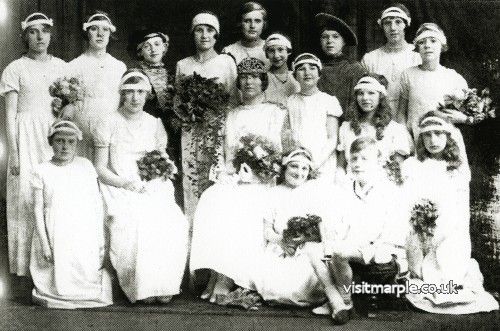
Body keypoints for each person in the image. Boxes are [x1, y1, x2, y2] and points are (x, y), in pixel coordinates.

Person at [190, 57, 286, 304]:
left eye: (254, 77)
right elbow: (225, 153)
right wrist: (226, 175)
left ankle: (227, 277)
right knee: (212, 199)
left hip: (262, 181)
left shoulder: (275, 112)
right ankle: (215, 272)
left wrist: (255, 174)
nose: (249, 81)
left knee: (242, 206)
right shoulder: (230, 115)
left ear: (263, 81)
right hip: (235, 177)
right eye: (244, 77)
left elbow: (278, 152)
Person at [94, 69, 188, 304]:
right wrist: (126, 183)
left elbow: (162, 159)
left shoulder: (154, 123)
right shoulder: (108, 122)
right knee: (135, 222)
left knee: (172, 221)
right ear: (121, 95)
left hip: (152, 183)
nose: (135, 98)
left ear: (147, 95)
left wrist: (158, 176)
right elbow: (100, 168)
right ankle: (140, 285)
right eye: (129, 92)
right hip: (119, 184)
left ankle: (163, 284)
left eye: (140, 92)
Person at [403, 113, 499, 314]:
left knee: (450, 269)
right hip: (422, 225)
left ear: (449, 137)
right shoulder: (413, 165)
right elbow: (408, 201)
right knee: (422, 268)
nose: (433, 140)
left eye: (439, 134)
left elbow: (459, 209)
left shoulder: (456, 168)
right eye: (427, 135)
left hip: (451, 226)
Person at [308, 137, 407, 324]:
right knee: (313, 250)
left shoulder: (388, 190)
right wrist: (332, 236)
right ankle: (337, 301)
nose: (357, 164)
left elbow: (392, 230)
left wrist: (358, 245)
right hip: (351, 245)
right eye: (354, 159)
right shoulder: (346, 189)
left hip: (380, 248)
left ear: (378, 162)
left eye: (364, 159)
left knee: (338, 252)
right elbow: (338, 222)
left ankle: (344, 301)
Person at [0, 12, 67, 276]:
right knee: (27, 197)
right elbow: (10, 115)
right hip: (25, 139)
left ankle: (54, 263)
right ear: (24, 35)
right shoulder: (15, 68)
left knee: (53, 195)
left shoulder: (62, 66)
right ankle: (26, 270)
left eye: (45, 31)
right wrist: (14, 153)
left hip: (53, 136)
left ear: (51, 34)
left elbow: (69, 107)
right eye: (33, 31)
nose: (40, 37)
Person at [30, 121, 112, 309]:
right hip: (55, 230)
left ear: (76, 143)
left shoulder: (85, 165)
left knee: (86, 270)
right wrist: (45, 244)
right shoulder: (42, 170)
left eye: (70, 141)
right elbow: (37, 208)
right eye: (59, 141)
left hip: (81, 228)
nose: (65, 146)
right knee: (60, 279)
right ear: (51, 142)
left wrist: (98, 237)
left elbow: (95, 203)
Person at [176, 11, 238, 222]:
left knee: (216, 179)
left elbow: (233, 101)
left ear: (216, 35)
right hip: (191, 130)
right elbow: (178, 102)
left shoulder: (226, 62)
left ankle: (214, 232)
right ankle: (193, 231)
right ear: (192, 34)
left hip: (217, 129)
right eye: (199, 30)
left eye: (210, 30)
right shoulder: (183, 65)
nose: (204, 35)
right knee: (192, 178)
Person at [254, 148, 326, 307]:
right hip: (280, 246)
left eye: (304, 168)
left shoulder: (313, 193)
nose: (299, 172)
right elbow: (267, 230)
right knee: (276, 285)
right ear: (284, 168)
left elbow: (321, 232)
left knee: (305, 281)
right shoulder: (273, 193)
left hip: (306, 248)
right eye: (294, 166)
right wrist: (282, 241)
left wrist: (303, 239)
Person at [128, 28, 183, 206]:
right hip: (147, 129)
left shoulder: (174, 73)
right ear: (140, 51)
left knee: (174, 172)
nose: (153, 49)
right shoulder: (136, 75)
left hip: (174, 131)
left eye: (157, 44)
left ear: (164, 47)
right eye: (147, 46)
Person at [66, 11, 127, 161]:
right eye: (94, 29)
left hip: (112, 132)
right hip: (83, 132)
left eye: (105, 29)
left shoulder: (119, 67)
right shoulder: (74, 66)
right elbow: (69, 106)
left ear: (110, 33)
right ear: (87, 33)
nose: (100, 34)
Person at [397, 23, 470, 138]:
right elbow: (401, 113)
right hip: (417, 139)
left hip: (445, 141)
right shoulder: (408, 74)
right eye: (422, 42)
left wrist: (464, 119)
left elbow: (468, 112)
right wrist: (404, 137)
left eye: (433, 41)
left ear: (442, 46)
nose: (427, 45)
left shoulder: (454, 77)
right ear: (417, 48)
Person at [337, 74, 413, 170]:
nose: (365, 98)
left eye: (371, 93)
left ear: (380, 97)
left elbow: (397, 168)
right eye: (360, 93)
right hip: (351, 181)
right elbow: (341, 165)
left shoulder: (395, 130)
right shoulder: (346, 128)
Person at [286, 53, 342, 179]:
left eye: (312, 68)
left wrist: (314, 163)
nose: (307, 72)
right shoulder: (290, 101)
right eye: (301, 69)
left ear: (319, 74)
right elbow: (288, 134)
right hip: (298, 161)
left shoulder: (329, 100)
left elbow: (332, 138)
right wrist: (298, 161)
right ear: (295, 76)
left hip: (322, 161)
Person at [361, 3, 421, 115]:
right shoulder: (370, 59)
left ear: (406, 24)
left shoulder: (418, 56)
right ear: (382, 26)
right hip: (378, 117)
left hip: (411, 116)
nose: (393, 28)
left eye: (398, 22)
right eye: (387, 23)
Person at [315, 13, 366, 117]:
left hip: (347, 124)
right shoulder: (314, 68)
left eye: (335, 37)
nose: (329, 41)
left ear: (343, 41)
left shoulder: (355, 68)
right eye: (325, 37)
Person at [222, 1, 269, 67]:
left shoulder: (272, 49)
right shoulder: (228, 51)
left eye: (257, 21)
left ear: (264, 24)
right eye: (247, 21)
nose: (252, 26)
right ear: (240, 23)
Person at [263, 33, 300, 105]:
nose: (276, 55)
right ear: (266, 54)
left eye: (280, 50)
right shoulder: (262, 78)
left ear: (288, 51)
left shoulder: (297, 76)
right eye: (271, 51)